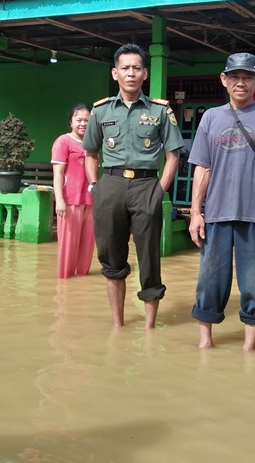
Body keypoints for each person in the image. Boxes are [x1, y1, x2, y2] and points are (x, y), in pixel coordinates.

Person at [189, 52, 255, 351]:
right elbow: (202, 168)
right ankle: (205, 342)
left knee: (254, 283)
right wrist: (197, 212)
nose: (241, 82)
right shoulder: (210, 117)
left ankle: (249, 348)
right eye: (234, 76)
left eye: (248, 76)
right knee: (209, 281)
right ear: (224, 79)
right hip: (217, 215)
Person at [82, 43, 184, 329]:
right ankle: (118, 325)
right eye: (125, 68)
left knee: (149, 257)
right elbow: (90, 153)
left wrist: (159, 191)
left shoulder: (160, 111)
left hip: (146, 186)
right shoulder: (100, 111)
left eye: (136, 68)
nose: (131, 74)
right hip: (110, 186)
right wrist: (95, 186)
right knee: (111, 259)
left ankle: (150, 327)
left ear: (145, 73)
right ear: (115, 73)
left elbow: (173, 154)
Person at [51, 104, 94, 279]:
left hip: (91, 200)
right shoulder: (63, 141)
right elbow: (58, 173)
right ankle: (65, 280)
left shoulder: (93, 143)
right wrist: (59, 200)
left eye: (87, 120)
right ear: (71, 122)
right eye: (79, 120)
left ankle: (83, 278)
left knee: (87, 245)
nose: (83, 123)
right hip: (70, 200)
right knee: (69, 244)